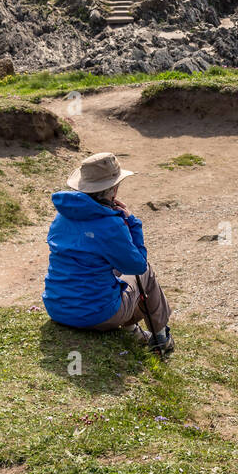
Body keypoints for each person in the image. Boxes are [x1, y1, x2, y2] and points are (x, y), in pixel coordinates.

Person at [42, 151, 174, 355]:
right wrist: (133, 223)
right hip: (96, 316)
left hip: (57, 308)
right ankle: (160, 339)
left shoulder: (62, 216)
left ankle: (132, 331)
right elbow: (136, 265)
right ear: (113, 190)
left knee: (105, 270)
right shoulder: (110, 223)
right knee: (144, 271)